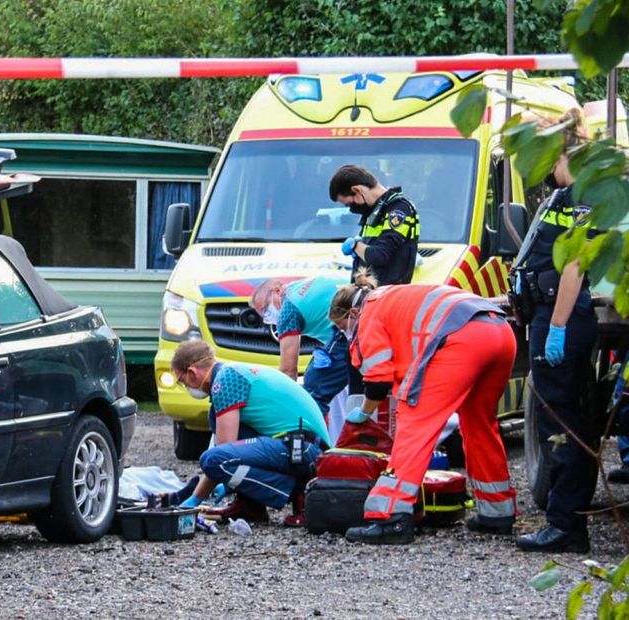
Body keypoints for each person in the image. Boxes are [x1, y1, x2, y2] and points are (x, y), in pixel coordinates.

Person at [332, 271, 517, 545]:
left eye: (342, 325)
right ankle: (497, 512)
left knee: (415, 424)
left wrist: (364, 413)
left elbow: (378, 381)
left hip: (462, 340)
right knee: (479, 424)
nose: (344, 332)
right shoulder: (394, 295)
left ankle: (391, 517)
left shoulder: (369, 312)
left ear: (353, 312)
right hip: (500, 332)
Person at [510, 109, 597, 553]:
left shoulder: (583, 191)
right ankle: (564, 522)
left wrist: (558, 326)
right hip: (547, 316)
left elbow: (575, 266)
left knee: (561, 424)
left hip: (561, 317)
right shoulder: (563, 192)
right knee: (555, 420)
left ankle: (566, 527)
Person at [169, 339, 329, 523]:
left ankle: (298, 492)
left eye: (183, 382)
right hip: (302, 446)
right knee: (218, 433)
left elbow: (223, 453)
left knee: (213, 461)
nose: (186, 387)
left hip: (305, 449)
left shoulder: (225, 381)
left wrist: (196, 499)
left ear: (192, 373)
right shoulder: (232, 372)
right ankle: (250, 506)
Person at [252, 275, 351, 426]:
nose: (269, 318)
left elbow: (288, 371)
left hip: (351, 329)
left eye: (265, 310)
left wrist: (281, 406)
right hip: (359, 315)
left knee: (314, 387)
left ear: (277, 291)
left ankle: (311, 441)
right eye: (264, 317)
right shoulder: (298, 287)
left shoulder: (288, 310)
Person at [329, 164, 420, 286]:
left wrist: (355, 246)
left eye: (349, 204)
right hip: (370, 294)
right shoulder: (374, 210)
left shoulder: (398, 209)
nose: (351, 209)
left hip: (386, 295)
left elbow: (381, 256)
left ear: (357, 190)